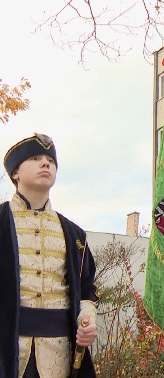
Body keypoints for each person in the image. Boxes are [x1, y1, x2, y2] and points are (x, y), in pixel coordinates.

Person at [0, 133, 99, 378]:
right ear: (15, 173)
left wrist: (88, 321)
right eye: (35, 158)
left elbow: (87, 290)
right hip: (6, 351)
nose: (46, 164)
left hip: (59, 355)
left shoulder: (74, 233)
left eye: (50, 161)